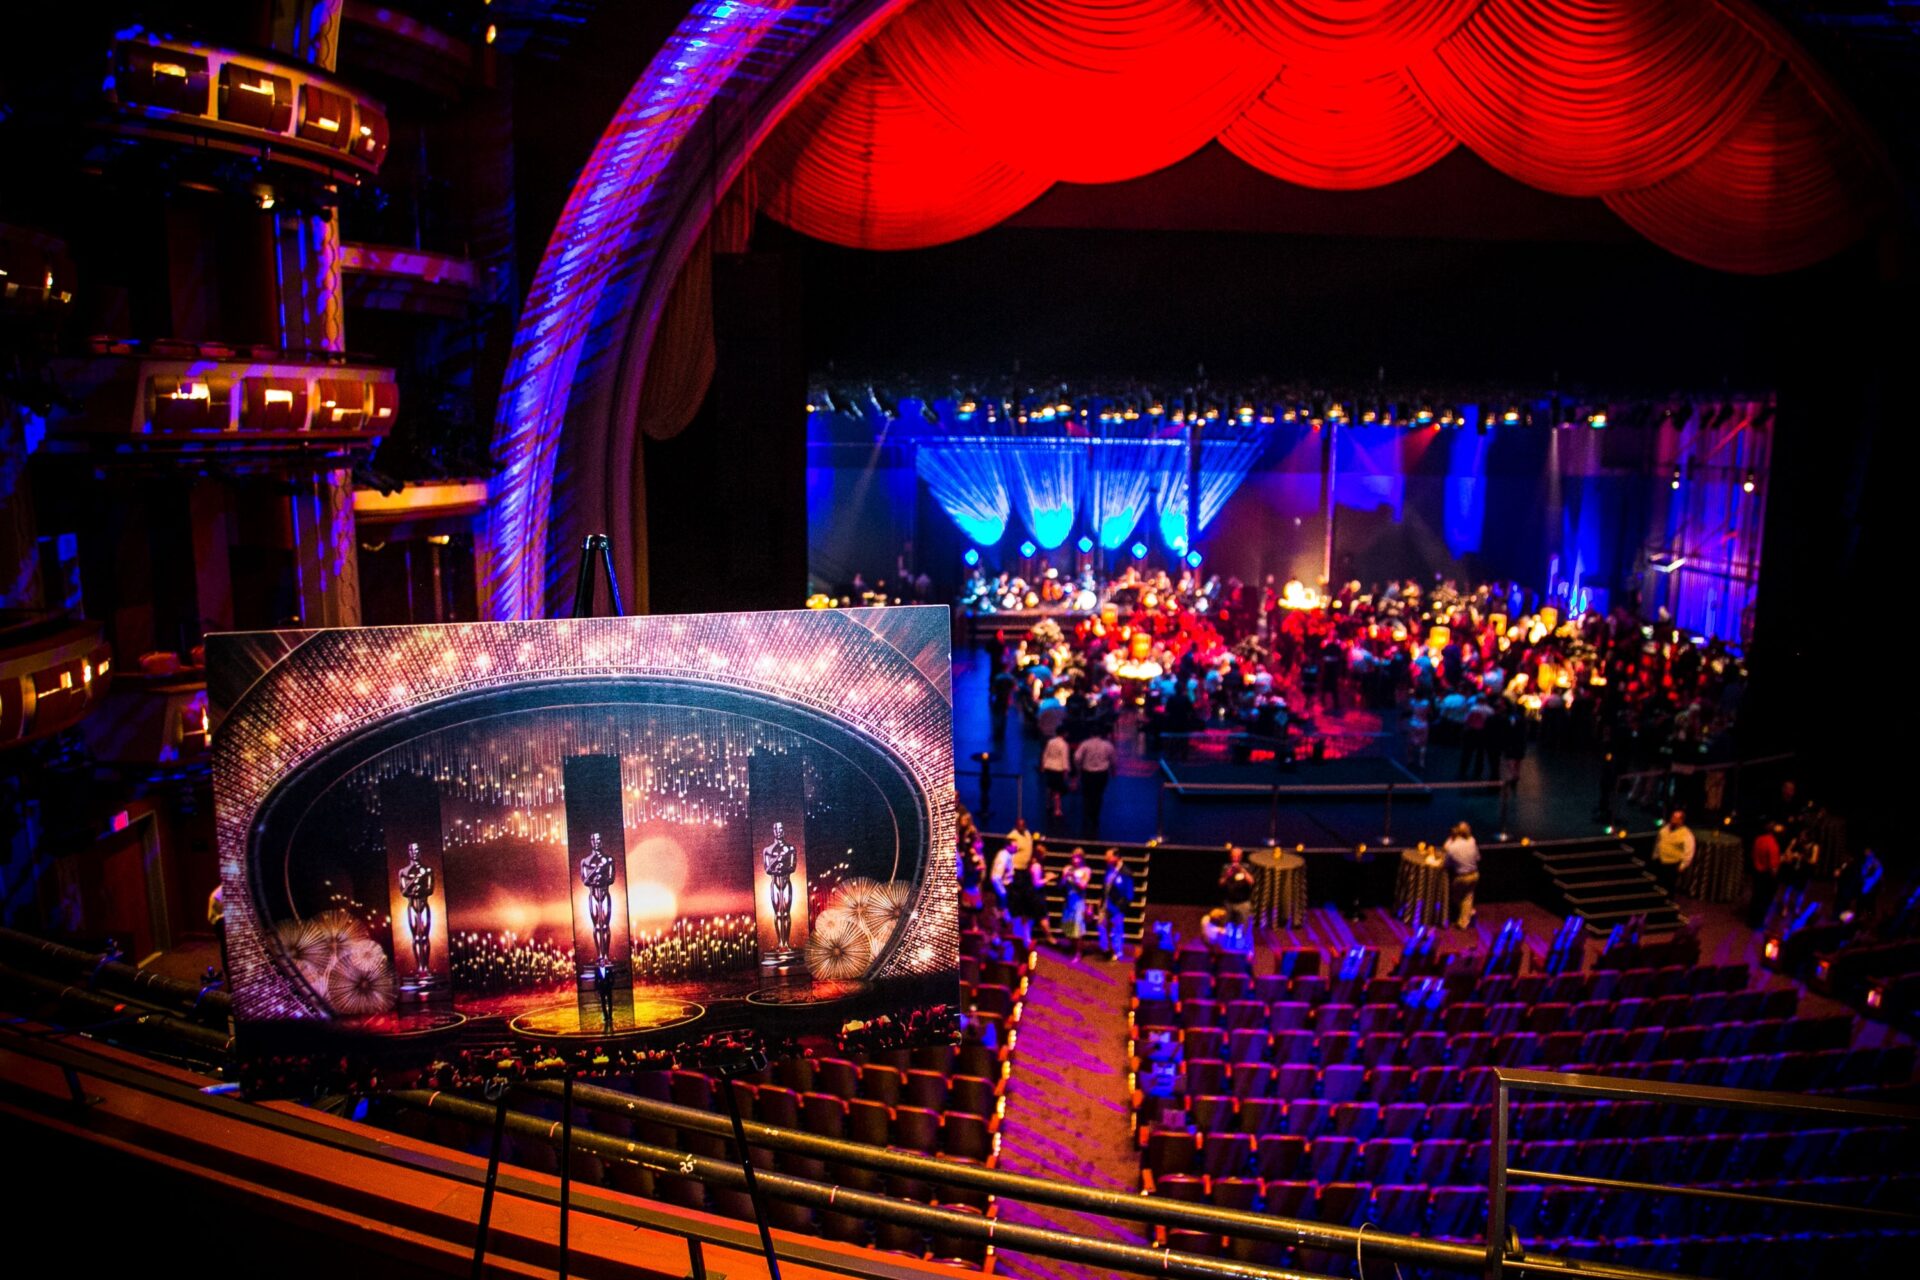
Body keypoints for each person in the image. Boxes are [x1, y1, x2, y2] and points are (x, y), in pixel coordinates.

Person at [1072, 728, 1116, 835]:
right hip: (1101, 774)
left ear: (1091, 733)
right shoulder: (1107, 745)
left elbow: (1077, 757)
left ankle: (1087, 815)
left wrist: (1079, 768)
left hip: (1087, 773)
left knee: (1087, 795)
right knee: (1098, 794)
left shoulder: (1085, 744)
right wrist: (1113, 770)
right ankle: (1095, 816)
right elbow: (1113, 759)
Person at [1442, 821, 1480, 930]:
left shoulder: (1452, 847)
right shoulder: (1472, 841)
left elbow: (1446, 864)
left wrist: (1449, 841)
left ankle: (1467, 915)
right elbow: (1478, 858)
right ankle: (1464, 921)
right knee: (1468, 897)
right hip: (1474, 875)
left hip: (1462, 877)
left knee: (1456, 897)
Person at [1098, 848, 1134, 962]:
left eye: (1108, 857)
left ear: (1116, 857)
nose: (1106, 859)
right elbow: (1105, 886)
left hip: (1117, 906)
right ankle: (1106, 949)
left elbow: (1129, 893)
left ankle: (1118, 951)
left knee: (1117, 929)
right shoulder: (1109, 869)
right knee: (1101, 925)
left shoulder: (1126, 872)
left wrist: (1120, 908)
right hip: (1106, 904)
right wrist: (1101, 899)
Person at [1651, 809, 1695, 897]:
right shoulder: (1664, 829)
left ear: (1681, 820)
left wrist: (1683, 865)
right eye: (1673, 817)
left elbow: (1689, 852)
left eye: (1676, 818)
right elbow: (1658, 843)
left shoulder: (1686, 834)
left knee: (1668, 887)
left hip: (1672, 864)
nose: (1673, 820)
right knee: (1658, 884)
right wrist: (1655, 856)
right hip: (1660, 861)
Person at [1747, 821, 1783, 928]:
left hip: (1756, 872)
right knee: (1764, 899)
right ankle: (1758, 922)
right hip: (1766, 876)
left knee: (1756, 896)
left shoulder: (1759, 839)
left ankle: (1751, 919)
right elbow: (1773, 867)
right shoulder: (1773, 845)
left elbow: (1753, 854)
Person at [1061, 848, 1094, 959]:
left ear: (1082, 858)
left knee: (1078, 929)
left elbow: (1083, 885)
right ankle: (1073, 947)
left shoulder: (1086, 870)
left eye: (1077, 857)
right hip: (1068, 900)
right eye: (1074, 857)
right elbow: (1060, 886)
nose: (1075, 859)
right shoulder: (1067, 868)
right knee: (1069, 928)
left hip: (1079, 901)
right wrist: (1064, 877)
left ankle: (1078, 952)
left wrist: (1074, 877)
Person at [1219, 845, 1256, 928]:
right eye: (1233, 856)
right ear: (1230, 856)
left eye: (1237, 857)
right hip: (1229, 903)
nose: (1235, 859)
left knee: (1243, 928)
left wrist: (1242, 870)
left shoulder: (1247, 867)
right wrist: (1227, 875)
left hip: (1243, 903)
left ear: (1241, 857)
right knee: (1226, 928)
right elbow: (1221, 883)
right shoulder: (1226, 867)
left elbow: (1251, 881)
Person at [1040, 729, 1071, 819]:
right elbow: (1065, 758)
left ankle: (1048, 803)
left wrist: (1043, 764)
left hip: (1049, 767)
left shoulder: (1050, 741)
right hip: (1058, 768)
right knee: (1058, 789)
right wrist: (1066, 770)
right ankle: (1057, 809)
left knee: (1050, 786)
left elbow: (1046, 753)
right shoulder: (1064, 744)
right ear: (1064, 733)